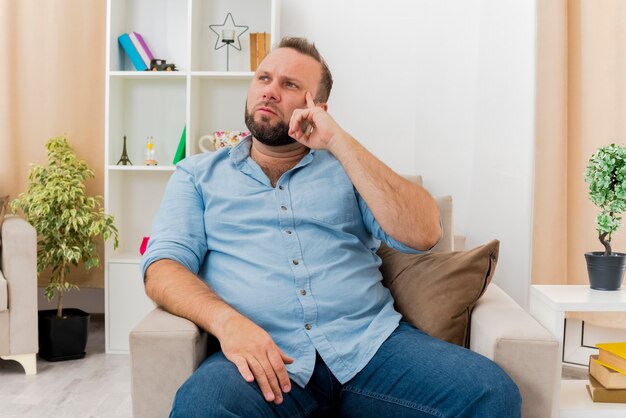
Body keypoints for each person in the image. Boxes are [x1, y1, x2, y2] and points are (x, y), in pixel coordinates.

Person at [141, 37, 521, 418]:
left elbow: (425, 233)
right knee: (201, 407)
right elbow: (161, 269)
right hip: (263, 359)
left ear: (317, 108)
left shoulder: (350, 168)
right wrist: (228, 323)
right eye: (264, 78)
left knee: (490, 392)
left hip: (372, 350)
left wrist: (338, 141)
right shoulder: (197, 176)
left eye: (289, 85)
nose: (270, 91)